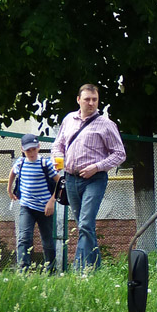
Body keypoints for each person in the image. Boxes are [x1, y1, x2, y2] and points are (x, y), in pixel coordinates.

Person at [53, 83, 126, 271]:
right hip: (70, 178)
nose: (91, 103)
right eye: (87, 99)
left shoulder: (107, 124)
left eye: (95, 99)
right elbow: (58, 145)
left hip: (95, 180)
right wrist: (58, 161)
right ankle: (95, 269)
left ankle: (78, 270)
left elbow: (119, 154)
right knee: (83, 226)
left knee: (86, 223)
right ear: (79, 100)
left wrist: (96, 167)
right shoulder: (68, 120)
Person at [7, 133, 60, 273]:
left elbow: (60, 182)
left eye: (33, 149)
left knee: (47, 242)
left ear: (39, 147)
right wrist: (9, 189)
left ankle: (51, 271)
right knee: (24, 238)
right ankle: (23, 271)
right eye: (27, 150)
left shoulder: (45, 163)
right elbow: (13, 172)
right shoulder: (20, 162)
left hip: (45, 208)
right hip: (26, 207)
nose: (31, 152)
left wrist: (52, 201)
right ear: (22, 150)